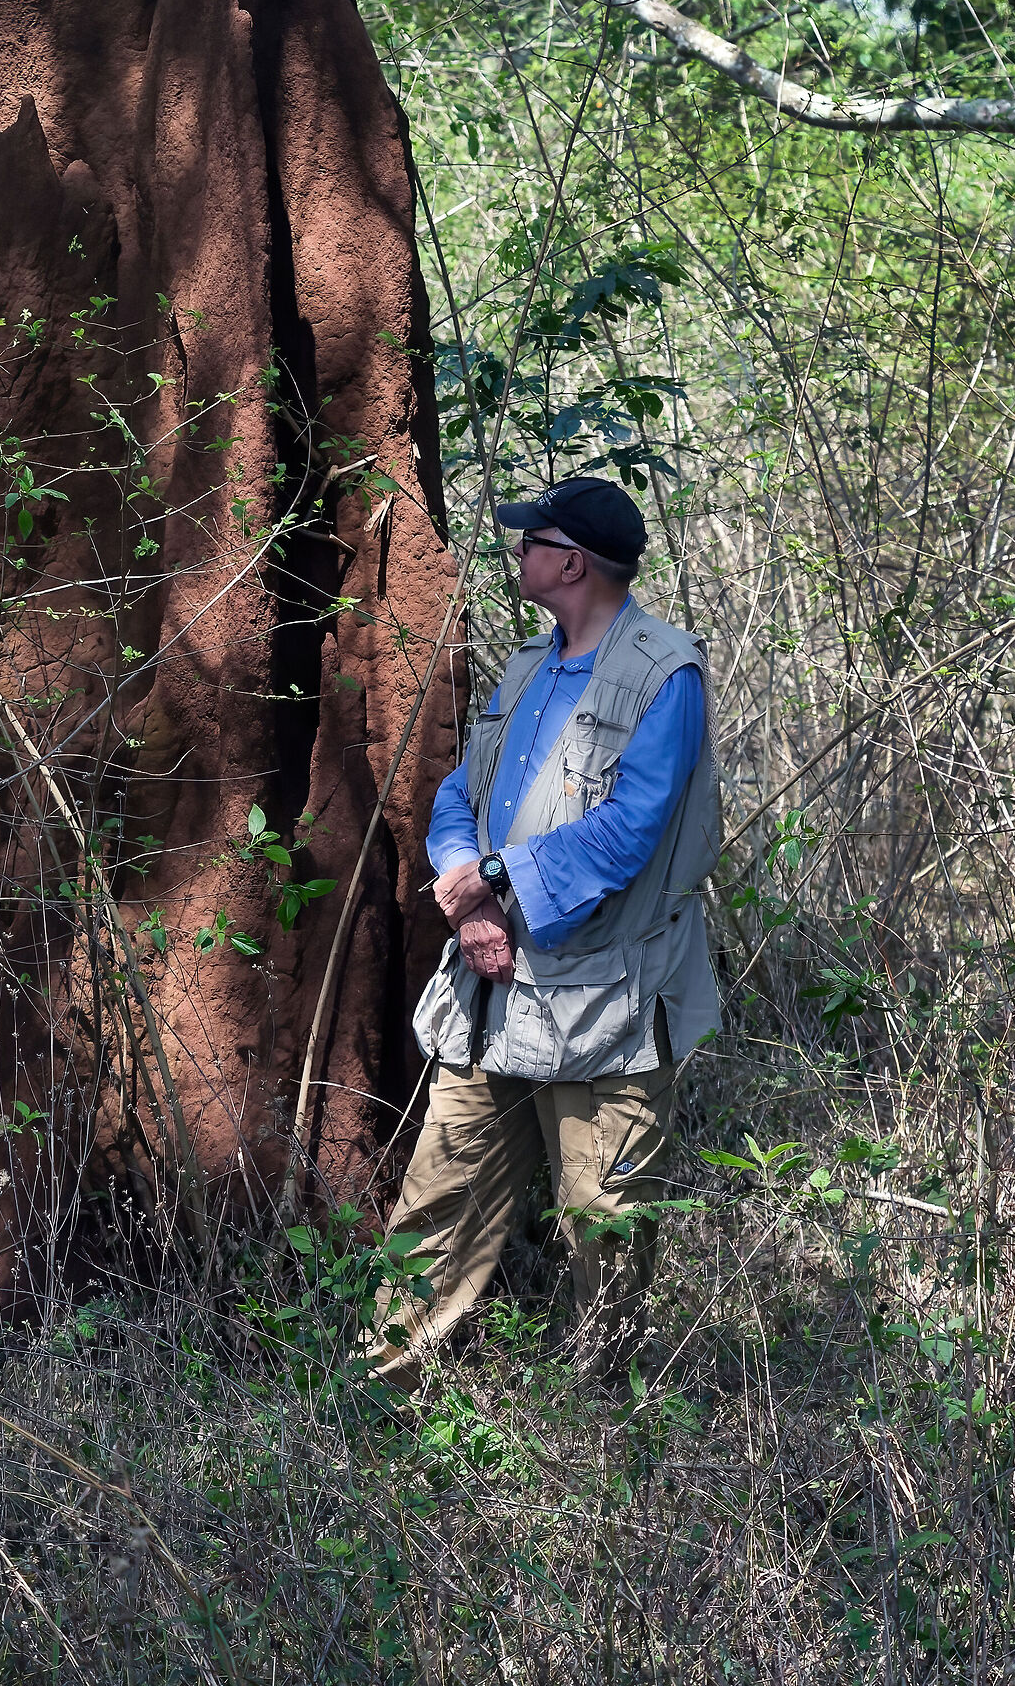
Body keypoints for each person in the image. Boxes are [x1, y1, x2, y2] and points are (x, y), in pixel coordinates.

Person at [369, 474, 721, 1388]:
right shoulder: (528, 666)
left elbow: (626, 833)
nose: (517, 552)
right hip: (490, 990)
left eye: (532, 541)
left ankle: (602, 1426)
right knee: (436, 1203)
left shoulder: (663, 673)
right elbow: (460, 794)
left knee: (600, 1221)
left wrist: (493, 879)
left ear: (570, 561)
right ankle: (387, 1396)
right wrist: (474, 897)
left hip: (609, 997)